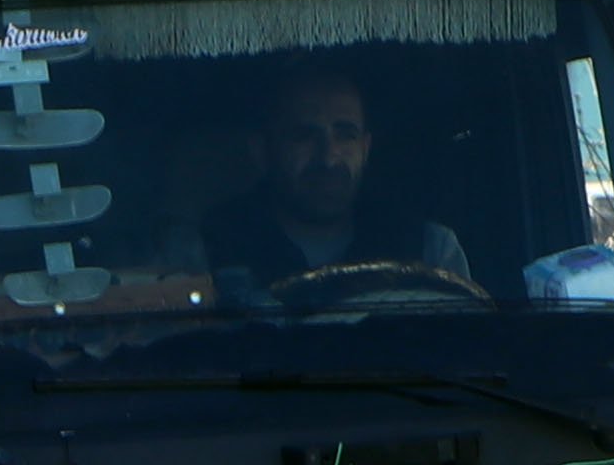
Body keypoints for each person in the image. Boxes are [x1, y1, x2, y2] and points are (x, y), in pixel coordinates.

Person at [201, 64, 477, 301]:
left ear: (365, 148)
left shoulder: (430, 251)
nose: (328, 158)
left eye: (346, 135)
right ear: (262, 151)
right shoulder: (207, 250)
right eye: (304, 136)